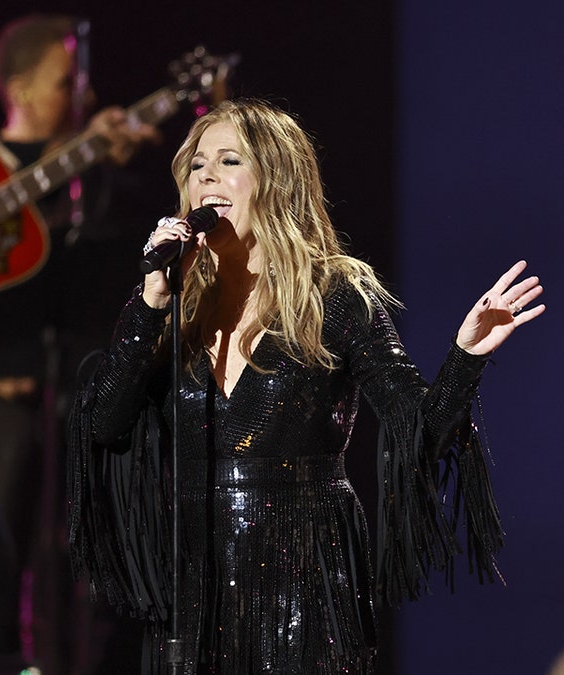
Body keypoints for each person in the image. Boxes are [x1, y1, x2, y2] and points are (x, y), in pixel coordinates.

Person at [67, 98, 545, 673]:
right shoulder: (177, 305)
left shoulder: (336, 295)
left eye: (229, 161)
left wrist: (464, 356)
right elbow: (106, 425)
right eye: (196, 165)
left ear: (275, 181)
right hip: (194, 589)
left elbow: (421, 430)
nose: (207, 177)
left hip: (303, 585)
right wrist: (150, 302)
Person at [0, 14, 158, 674]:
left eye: (77, 79)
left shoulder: (82, 172)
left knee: (61, 554)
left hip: (63, 390)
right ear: (17, 85)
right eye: (59, 79)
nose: (75, 92)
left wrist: (103, 160)